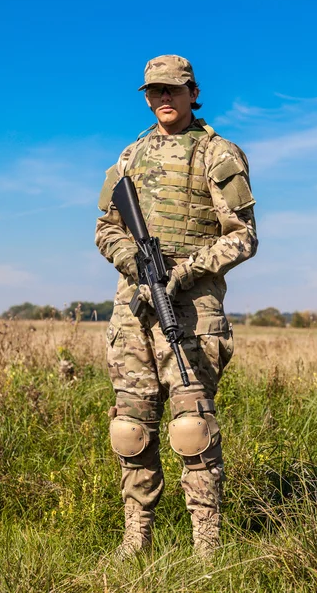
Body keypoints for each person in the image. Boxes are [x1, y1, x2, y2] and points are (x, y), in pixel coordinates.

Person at [95, 54, 258, 558]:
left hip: (192, 314)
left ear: (192, 92)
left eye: (172, 90)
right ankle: (135, 540)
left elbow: (244, 238)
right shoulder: (129, 156)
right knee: (130, 429)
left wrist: (182, 271)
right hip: (134, 313)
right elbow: (106, 229)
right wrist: (134, 265)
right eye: (154, 91)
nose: (162, 98)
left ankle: (207, 548)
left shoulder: (217, 153)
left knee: (192, 430)